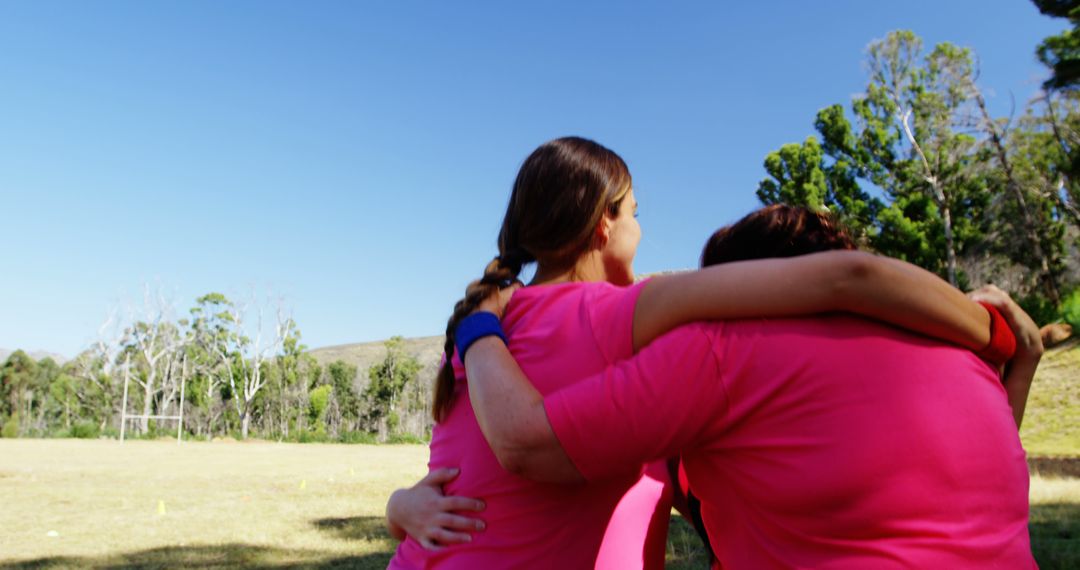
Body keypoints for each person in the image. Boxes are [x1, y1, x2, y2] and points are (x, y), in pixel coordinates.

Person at [385, 138, 1002, 569]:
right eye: (636, 214)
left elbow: (465, 483)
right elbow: (845, 279)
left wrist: (397, 507)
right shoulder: (621, 314)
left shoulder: (479, 328)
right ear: (605, 225)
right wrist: (990, 328)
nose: (642, 232)